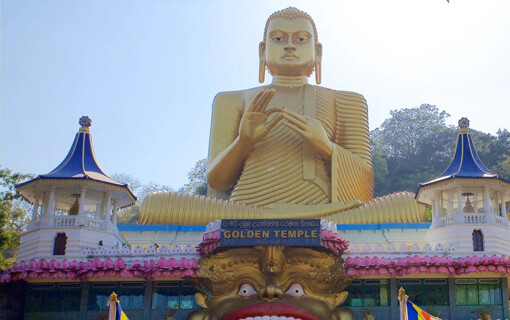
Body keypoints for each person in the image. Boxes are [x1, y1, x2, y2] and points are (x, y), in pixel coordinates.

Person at [139, 8, 423, 225]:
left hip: (322, 213)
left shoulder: (346, 100)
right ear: (263, 50)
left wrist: (326, 146)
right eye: (278, 39)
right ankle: (275, 222)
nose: (289, 46)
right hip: (245, 212)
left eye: (301, 39)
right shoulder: (231, 100)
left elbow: (362, 189)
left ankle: (285, 222)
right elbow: (217, 182)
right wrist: (244, 142)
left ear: (317, 52)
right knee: (154, 205)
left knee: (411, 205)